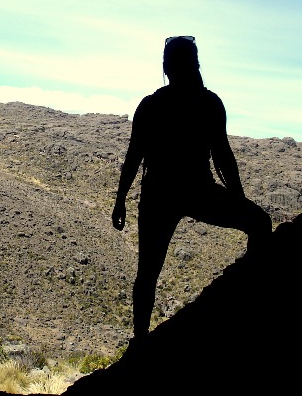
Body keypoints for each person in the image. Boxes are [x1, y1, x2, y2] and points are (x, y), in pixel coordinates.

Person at [111, 35, 272, 341]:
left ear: (166, 67)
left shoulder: (152, 105)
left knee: (147, 272)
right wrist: (238, 198)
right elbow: (223, 156)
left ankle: (140, 340)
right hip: (199, 190)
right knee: (260, 224)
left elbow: (134, 157)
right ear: (195, 64)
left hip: (159, 194)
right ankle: (253, 302)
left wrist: (121, 201)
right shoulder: (209, 103)